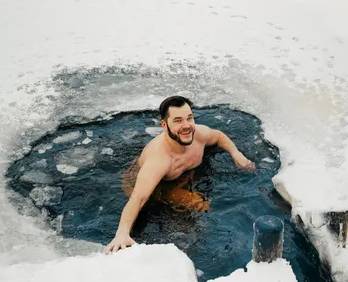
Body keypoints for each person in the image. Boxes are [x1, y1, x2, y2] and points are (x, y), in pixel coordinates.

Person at [104, 95, 255, 254]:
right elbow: (138, 198)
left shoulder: (198, 135)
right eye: (178, 121)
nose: (186, 126)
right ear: (164, 125)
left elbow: (218, 136)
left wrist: (237, 154)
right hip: (149, 184)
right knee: (200, 206)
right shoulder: (159, 159)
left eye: (189, 118)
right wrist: (122, 233)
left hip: (180, 176)